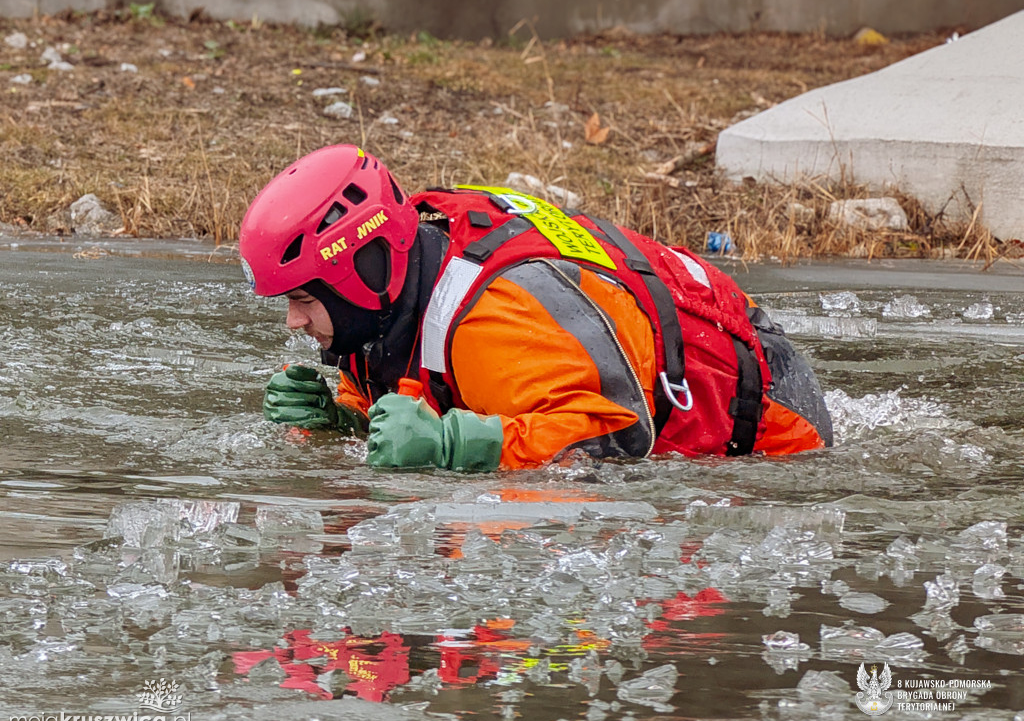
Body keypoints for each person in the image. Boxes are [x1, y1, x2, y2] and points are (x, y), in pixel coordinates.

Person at [238, 144, 832, 471]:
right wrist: (348, 416)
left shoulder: (489, 321)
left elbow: (618, 441)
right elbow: (418, 368)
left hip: (775, 423)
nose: (294, 322)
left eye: (303, 299)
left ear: (360, 274)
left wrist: (453, 447)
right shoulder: (401, 277)